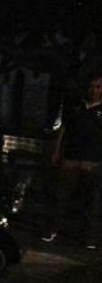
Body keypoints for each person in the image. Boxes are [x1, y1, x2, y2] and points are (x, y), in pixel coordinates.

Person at [42, 72, 102, 248]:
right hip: (72, 157)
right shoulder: (76, 106)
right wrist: (57, 151)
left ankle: (89, 236)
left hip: (93, 161)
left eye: (98, 87)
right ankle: (53, 228)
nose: (94, 90)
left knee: (92, 200)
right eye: (92, 86)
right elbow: (64, 129)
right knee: (61, 195)